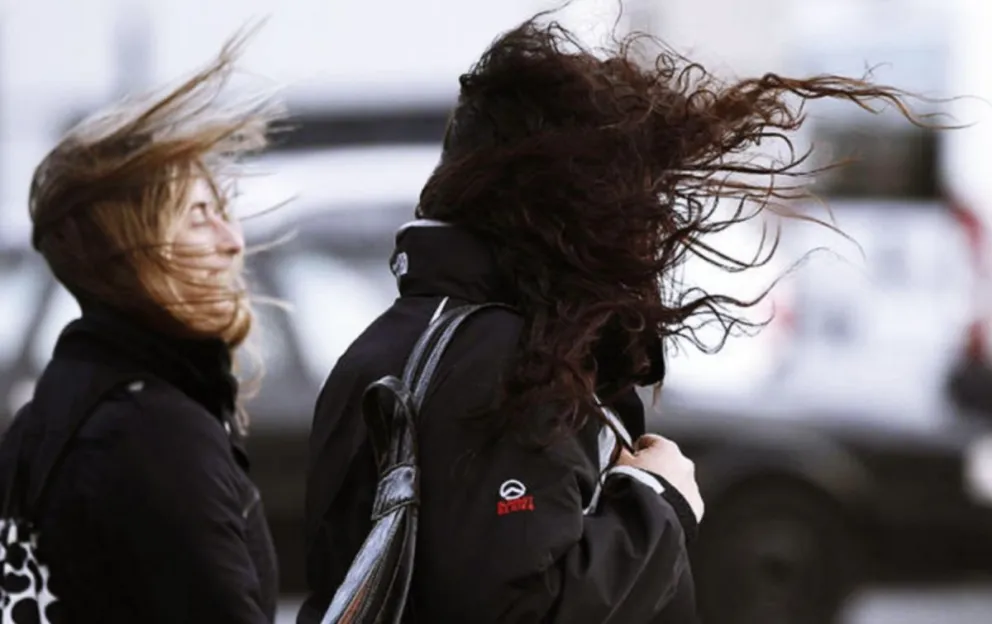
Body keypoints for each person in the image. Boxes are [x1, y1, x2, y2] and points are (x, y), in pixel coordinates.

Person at [299, 12, 927, 624]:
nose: (647, 223)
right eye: (625, 193)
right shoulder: (501, 357)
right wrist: (656, 500)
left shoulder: (388, 343)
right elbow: (524, 605)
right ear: (563, 204)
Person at [0, 30, 283, 623]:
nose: (233, 243)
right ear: (135, 249)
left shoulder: (50, 415)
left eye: (223, 214)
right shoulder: (155, 434)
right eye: (199, 216)